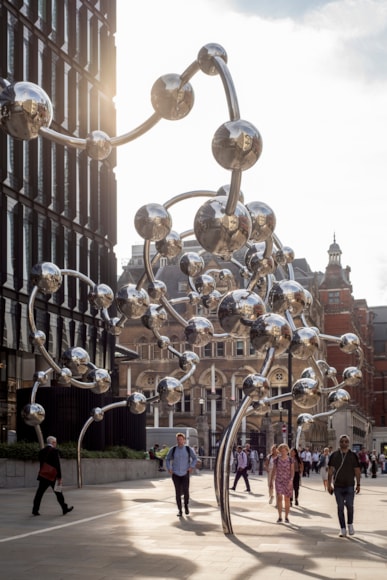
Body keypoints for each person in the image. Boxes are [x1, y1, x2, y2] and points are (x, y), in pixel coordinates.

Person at [328, 434, 361, 537]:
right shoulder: (334, 455)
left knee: (350, 506)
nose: (344, 443)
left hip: (350, 485)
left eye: (346, 441)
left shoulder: (353, 455)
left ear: (348, 443)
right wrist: (329, 484)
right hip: (338, 486)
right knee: (340, 507)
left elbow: (357, 470)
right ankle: (342, 528)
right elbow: (330, 471)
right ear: (339, 443)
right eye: (342, 441)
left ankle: (350, 524)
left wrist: (359, 484)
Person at [32, 435, 73, 516]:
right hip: (53, 477)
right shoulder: (54, 451)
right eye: (55, 442)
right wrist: (59, 477)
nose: (56, 444)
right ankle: (64, 509)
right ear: (53, 442)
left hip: (44, 476)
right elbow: (57, 465)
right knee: (59, 493)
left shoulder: (42, 451)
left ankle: (35, 510)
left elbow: (42, 463)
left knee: (39, 493)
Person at [166, 432, 197, 517]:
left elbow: (195, 458)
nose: (179, 441)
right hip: (175, 474)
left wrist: (191, 467)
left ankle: (186, 505)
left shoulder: (188, 449)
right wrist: (169, 468)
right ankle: (180, 510)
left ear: (184, 440)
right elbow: (167, 459)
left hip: (185, 473)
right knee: (178, 492)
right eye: (178, 439)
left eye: (181, 439)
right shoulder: (173, 449)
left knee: (186, 492)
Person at [269, 443, 294, 523]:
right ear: (279, 451)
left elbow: (292, 470)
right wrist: (271, 481)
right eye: (281, 451)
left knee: (287, 499)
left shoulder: (290, 460)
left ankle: (286, 516)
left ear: (287, 451)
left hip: (288, 481)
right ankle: (280, 517)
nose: (283, 452)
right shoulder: (276, 460)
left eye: (285, 451)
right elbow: (273, 470)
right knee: (279, 497)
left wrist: (291, 479)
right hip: (279, 480)